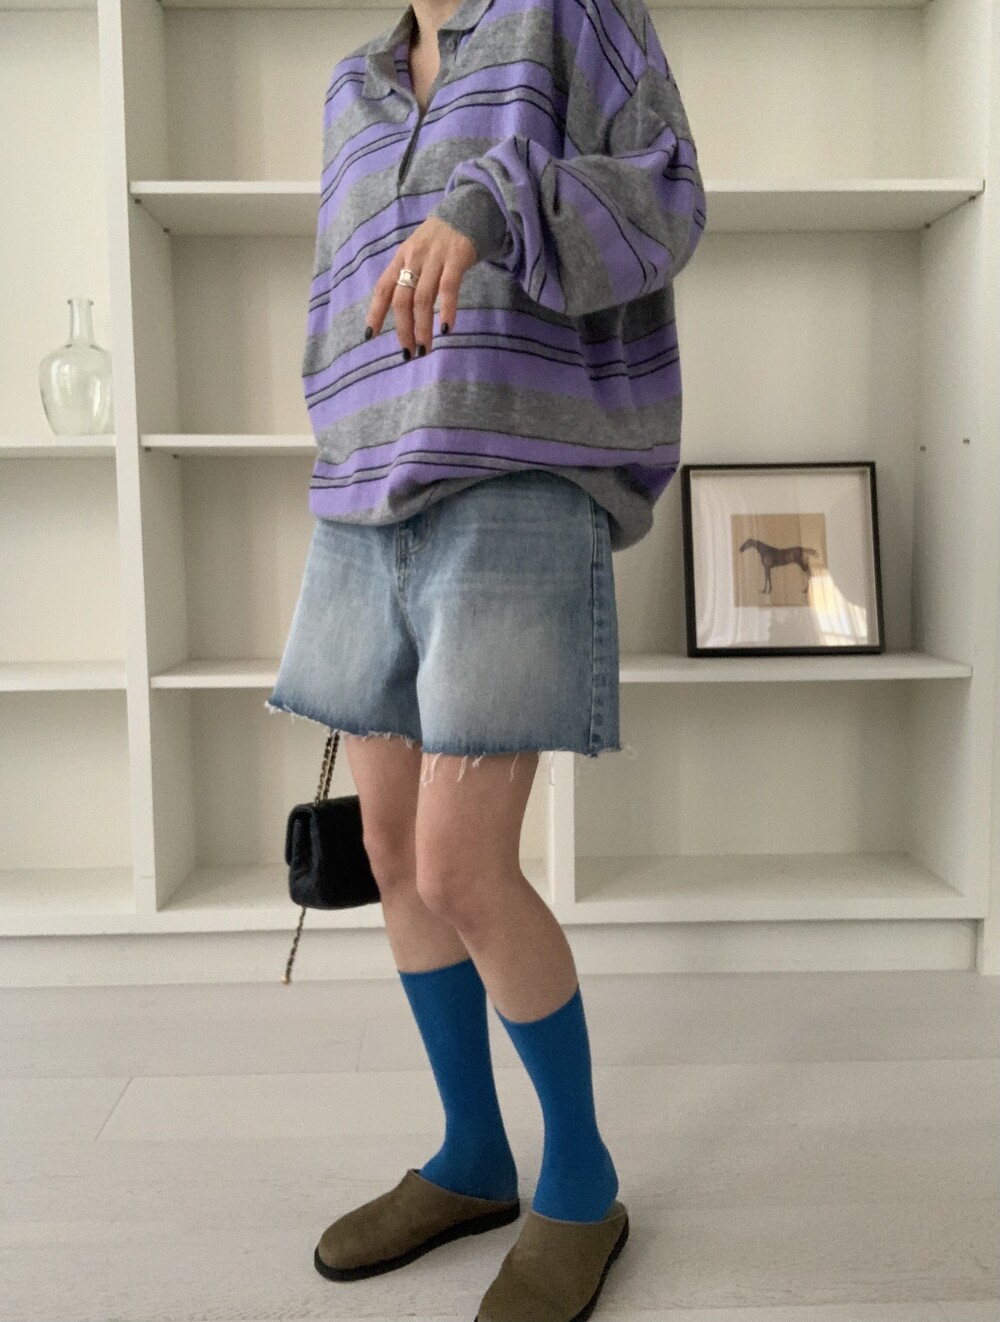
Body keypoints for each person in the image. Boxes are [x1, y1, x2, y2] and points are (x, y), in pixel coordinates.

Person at [265, 0, 705, 1317]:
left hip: (517, 474)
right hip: (364, 499)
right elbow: (341, 286)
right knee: (394, 855)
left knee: (463, 864)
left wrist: (492, 203)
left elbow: (668, 195)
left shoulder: (569, 15)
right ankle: (471, 1155)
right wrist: (342, 442)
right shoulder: (351, 84)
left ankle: (582, 1183)